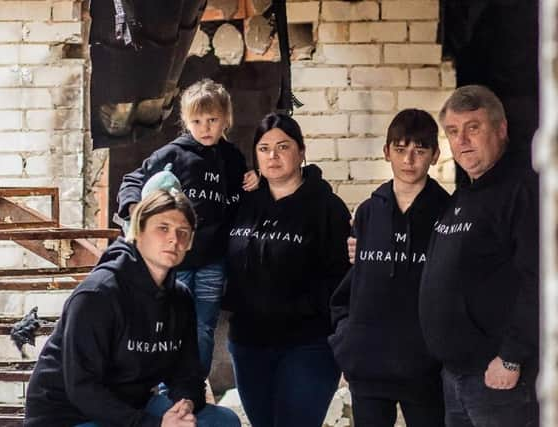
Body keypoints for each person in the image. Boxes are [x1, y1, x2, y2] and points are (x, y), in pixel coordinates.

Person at [24, 190, 241, 427]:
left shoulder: (180, 298)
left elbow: (186, 374)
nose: (173, 239)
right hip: (69, 415)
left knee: (222, 421)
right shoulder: (98, 295)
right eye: (163, 228)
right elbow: (82, 388)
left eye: (183, 233)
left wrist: (185, 404)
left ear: (189, 243)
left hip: (133, 405)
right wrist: (153, 425)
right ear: (138, 231)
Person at [117, 79, 258, 377]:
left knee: (203, 326)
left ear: (226, 120)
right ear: (185, 120)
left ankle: (193, 387)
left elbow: (244, 201)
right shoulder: (173, 154)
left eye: (212, 120)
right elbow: (133, 180)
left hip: (212, 261)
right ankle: (167, 388)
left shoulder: (232, 159)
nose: (205, 127)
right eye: (196, 121)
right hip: (174, 259)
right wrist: (134, 208)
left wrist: (254, 182)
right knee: (168, 323)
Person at [419, 85, 539, 427]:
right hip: (456, 376)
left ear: (501, 130)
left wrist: (512, 358)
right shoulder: (464, 196)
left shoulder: (521, 192)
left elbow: (539, 278)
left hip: (498, 377)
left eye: (474, 128)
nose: (463, 140)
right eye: (453, 132)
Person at [223, 113, 351, 427]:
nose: (273, 156)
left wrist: (303, 308)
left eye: (283, 146)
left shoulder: (327, 208)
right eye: (264, 149)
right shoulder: (243, 204)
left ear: (301, 151)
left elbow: (342, 279)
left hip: (307, 344)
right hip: (248, 343)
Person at [329, 109, 449, 427]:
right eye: (400, 149)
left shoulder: (448, 213)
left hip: (425, 369)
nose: (409, 159)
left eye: (419, 150)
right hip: (368, 366)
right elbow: (354, 284)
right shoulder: (368, 211)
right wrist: (347, 339)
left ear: (434, 155)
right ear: (386, 152)